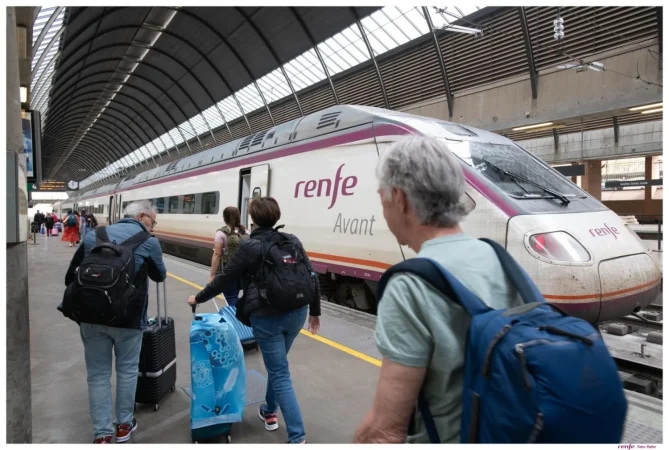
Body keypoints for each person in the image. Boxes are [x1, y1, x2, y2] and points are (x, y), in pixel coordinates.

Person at [353, 136, 523, 444]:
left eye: (383, 201)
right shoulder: (498, 257)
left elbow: (386, 431)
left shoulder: (409, 285)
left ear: (400, 199)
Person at [188, 197, 321, 444]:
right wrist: (315, 311)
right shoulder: (292, 241)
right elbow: (312, 276)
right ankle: (269, 412)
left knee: (279, 372)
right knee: (277, 366)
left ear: (253, 219)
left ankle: (297, 437)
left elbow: (224, 279)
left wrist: (198, 297)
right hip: (297, 314)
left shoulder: (251, 246)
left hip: (267, 316)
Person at [64, 200, 166, 444]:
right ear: (142, 216)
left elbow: (70, 275)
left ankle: (101, 435)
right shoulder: (149, 242)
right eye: (153, 221)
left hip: (91, 317)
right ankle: (123, 426)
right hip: (128, 320)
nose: (153, 227)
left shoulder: (94, 236)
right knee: (127, 371)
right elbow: (159, 275)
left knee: (98, 374)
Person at [209, 206, 248, 307]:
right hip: (245, 271)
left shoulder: (221, 233)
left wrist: (212, 275)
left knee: (231, 299)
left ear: (224, 218)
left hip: (229, 271)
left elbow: (217, 254)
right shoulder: (246, 232)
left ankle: (234, 321)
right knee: (245, 298)